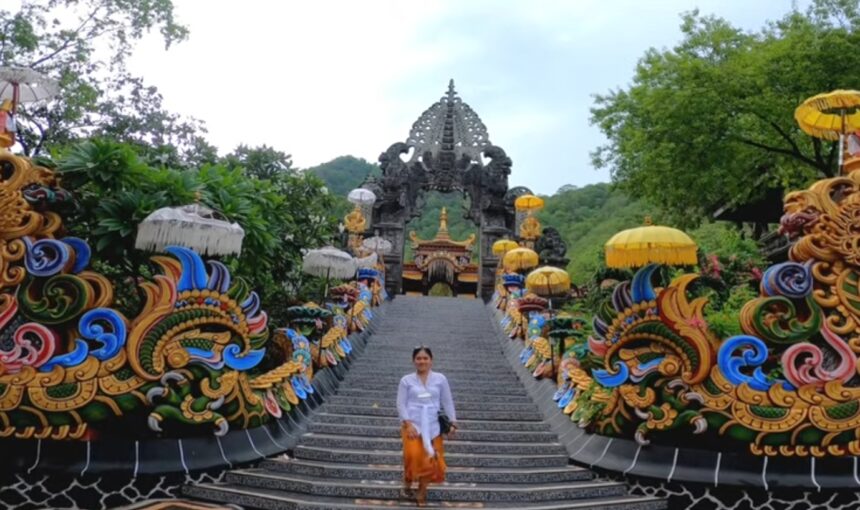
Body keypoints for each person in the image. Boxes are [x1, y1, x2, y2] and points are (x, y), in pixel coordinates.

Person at [396, 346, 457, 506]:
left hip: (433, 426)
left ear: (431, 360)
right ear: (413, 361)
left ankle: (421, 493)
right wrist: (407, 424)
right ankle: (407, 482)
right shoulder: (406, 380)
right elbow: (401, 404)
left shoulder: (440, 379)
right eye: (418, 358)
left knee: (431, 461)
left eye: (425, 358)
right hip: (412, 425)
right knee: (412, 456)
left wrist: (453, 422)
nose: (422, 361)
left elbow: (447, 400)